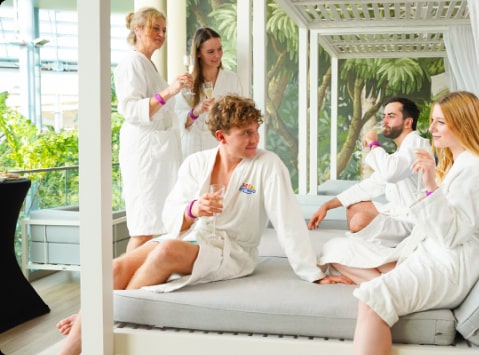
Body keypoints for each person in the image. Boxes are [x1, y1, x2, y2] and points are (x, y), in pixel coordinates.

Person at [55, 94, 328, 355]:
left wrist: (312, 271)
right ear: (221, 136)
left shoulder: (267, 165)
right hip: (193, 238)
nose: (254, 138)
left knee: (165, 251)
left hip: (232, 251)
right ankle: (79, 335)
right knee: (114, 267)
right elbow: (170, 214)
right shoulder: (196, 163)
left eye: (255, 130)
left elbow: (288, 220)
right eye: (245, 132)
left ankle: (97, 317)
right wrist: (193, 208)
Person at [319, 91, 479, 355]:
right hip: (432, 251)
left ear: (463, 123)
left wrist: (430, 185)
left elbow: (452, 235)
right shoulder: (461, 165)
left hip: (449, 264)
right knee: (336, 251)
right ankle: (385, 273)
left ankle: (380, 281)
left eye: (440, 122)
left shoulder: (476, 170)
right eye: (433, 121)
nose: (431, 129)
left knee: (371, 299)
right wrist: (330, 204)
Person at [114, 7, 189, 252]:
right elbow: (131, 109)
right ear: (137, 29)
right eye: (155, 27)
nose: (161, 33)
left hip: (160, 154)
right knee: (143, 226)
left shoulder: (148, 64)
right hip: (144, 154)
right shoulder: (131, 63)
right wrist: (170, 90)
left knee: (158, 222)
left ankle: (145, 278)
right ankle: (123, 285)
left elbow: (167, 111)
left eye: (164, 29)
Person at [308, 97, 429, 248]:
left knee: (359, 221)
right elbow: (369, 186)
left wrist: (374, 144)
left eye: (391, 116)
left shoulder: (416, 144)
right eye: (384, 116)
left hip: (413, 221)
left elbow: (390, 173)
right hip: (397, 214)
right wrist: (327, 206)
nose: (384, 121)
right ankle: (368, 245)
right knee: (354, 206)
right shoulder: (400, 153)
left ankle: (371, 249)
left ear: (408, 122)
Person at [176, 27, 243, 159]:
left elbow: (239, 117)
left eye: (219, 49)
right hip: (193, 149)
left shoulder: (232, 80)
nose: (217, 55)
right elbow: (177, 121)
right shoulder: (187, 82)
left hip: (220, 146)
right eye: (210, 52)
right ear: (199, 53)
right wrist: (196, 111)